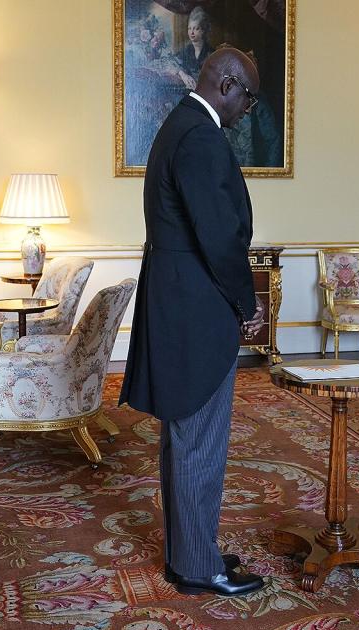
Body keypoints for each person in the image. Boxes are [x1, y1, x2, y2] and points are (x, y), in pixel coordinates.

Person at [120, 48, 266, 597]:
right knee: (199, 438)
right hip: (197, 309)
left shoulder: (177, 125)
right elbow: (219, 236)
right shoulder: (202, 136)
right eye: (247, 98)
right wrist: (246, 304)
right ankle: (199, 568)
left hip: (178, 300)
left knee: (184, 435)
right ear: (227, 85)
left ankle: (190, 553)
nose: (248, 110)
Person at [176, 6, 214, 89]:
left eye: (196, 28)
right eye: (189, 28)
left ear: (203, 30)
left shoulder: (211, 53)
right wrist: (183, 74)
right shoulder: (185, 51)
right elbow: (173, 63)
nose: (191, 32)